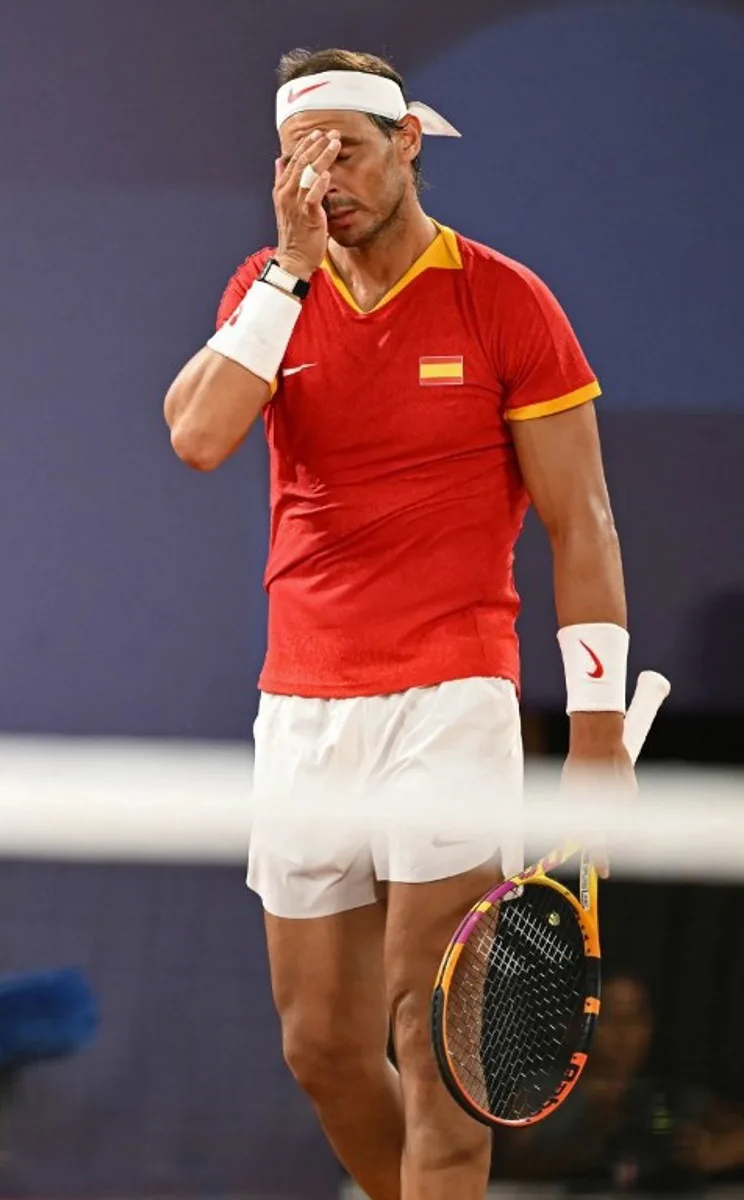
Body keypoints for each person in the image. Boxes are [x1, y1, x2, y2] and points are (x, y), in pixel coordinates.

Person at [164, 46, 633, 1200]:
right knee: (320, 1048)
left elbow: (582, 525)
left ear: (408, 143)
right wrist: (285, 272)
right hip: (303, 708)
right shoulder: (265, 294)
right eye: (300, 157)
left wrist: (595, 735)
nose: (326, 179)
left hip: (448, 701)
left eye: (350, 151)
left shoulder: (504, 300)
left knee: (436, 1055)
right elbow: (197, 435)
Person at [493, 973, 744, 1194]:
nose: (624, 1033)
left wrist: (713, 1153)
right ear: (572, 1025)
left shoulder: (663, 1095)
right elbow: (509, 1164)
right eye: (609, 1017)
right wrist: (589, 1141)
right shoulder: (540, 1091)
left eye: (635, 1018)